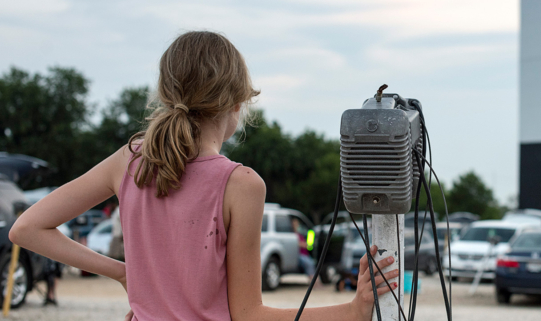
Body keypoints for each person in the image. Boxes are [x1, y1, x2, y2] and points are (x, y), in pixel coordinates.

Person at [9, 31, 397, 321]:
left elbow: (26, 228)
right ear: (236, 104)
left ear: (166, 93)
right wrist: (352, 310)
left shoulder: (128, 160)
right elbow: (249, 316)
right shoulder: (241, 185)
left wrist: (124, 273)